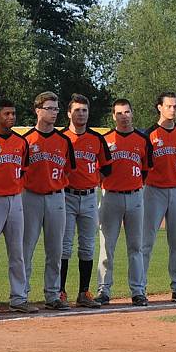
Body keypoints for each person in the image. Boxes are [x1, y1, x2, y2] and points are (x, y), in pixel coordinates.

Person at [22, 91, 76, 311]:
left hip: (56, 198)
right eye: (49, 108)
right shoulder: (26, 140)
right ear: (38, 110)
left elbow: (69, 171)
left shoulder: (63, 140)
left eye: (56, 108)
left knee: (55, 249)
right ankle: (21, 294)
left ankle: (53, 294)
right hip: (30, 197)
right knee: (26, 249)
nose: (54, 113)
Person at [95, 99, 151, 306]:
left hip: (135, 195)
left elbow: (145, 170)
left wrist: (135, 185)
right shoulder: (106, 139)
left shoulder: (142, 140)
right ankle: (103, 290)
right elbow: (100, 169)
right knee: (106, 246)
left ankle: (138, 290)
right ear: (113, 116)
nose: (123, 116)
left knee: (136, 246)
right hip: (110, 195)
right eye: (119, 113)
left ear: (132, 113)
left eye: (127, 112)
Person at [142, 92, 176, 303]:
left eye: (175, 106)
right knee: (146, 241)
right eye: (169, 106)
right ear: (159, 107)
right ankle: (140, 287)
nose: (173, 109)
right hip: (154, 191)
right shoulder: (150, 134)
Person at [60, 94, 112, 308]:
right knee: (64, 246)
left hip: (89, 196)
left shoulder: (96, 139)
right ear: (69, 113)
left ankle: (83, 292)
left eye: (84, 110)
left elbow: (107, 167)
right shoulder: (62, 138)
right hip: (66, 195)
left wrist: (93, 181)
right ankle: (60, 292)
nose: (81, 113)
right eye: (77, 110)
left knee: (87, 247)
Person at [0, 99, 37, 313]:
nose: (11, 117)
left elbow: (24, 170)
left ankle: (18, 297)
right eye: (6, 114)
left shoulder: (21, 142)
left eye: (13, 113)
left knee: (18, 252)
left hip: (15, 200)